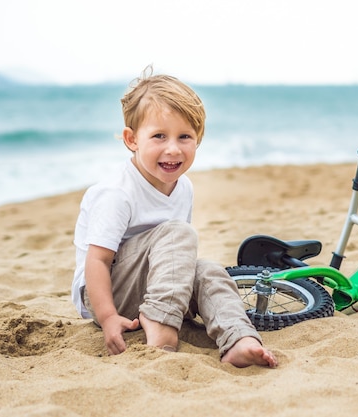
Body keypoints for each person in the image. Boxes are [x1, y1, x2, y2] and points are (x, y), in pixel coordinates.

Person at [71, 67, 277, 368]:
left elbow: (176, 259)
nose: (173, 149)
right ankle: (161, 329)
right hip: (107, 291)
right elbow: (97, 261)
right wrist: (108, 317)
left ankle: (237, 339)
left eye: (185, 137)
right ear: (132, 140)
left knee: (208, 271)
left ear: (198, 140)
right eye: (158, 136)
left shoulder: (184, 187)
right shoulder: (117, 193)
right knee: (178, 233)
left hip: (155, 284)